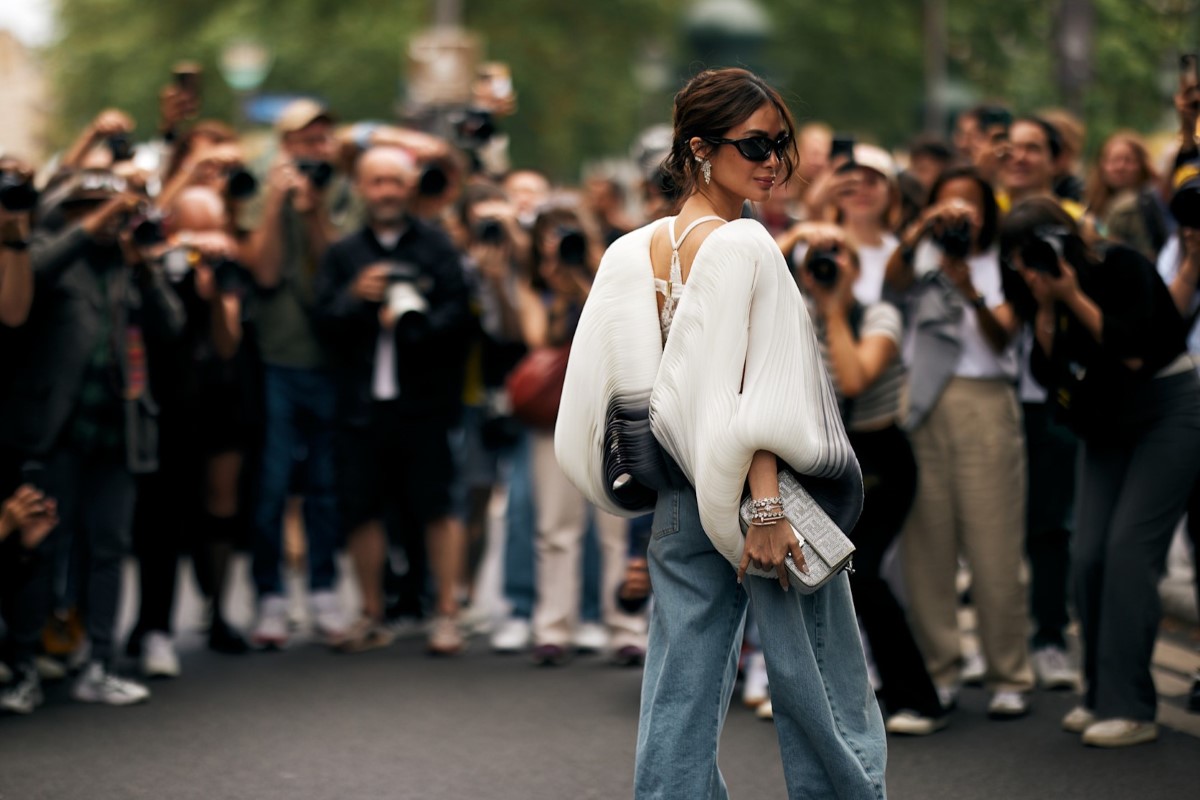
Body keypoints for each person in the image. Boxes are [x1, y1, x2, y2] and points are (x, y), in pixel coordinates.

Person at [556, 68, 886, 799]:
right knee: (820, 684)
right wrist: (764, 508)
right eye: (757, 144)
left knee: (681, 689)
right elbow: (756, 392)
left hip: (678, 496)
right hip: (760, 499)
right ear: (700, 149)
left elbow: (608, 398)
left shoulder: (629, 253)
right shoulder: (745, 244)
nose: (774, 161)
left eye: (782, 144)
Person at [1002, 197, 1200, 747]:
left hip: (1169, 409)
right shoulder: (1035, 289)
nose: (1031, 265)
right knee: (1086, 557)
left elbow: (1138, 351)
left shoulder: (1121, 267)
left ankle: (1131, 706)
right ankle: (1100, 695)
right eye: (1019, 258)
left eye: (1038, 248)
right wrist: (1046, 307)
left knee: (1129, 555)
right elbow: (1050, 370)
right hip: (1106, 425)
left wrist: (1072, 296)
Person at [0, 168, 185, 711]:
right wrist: (89, 226)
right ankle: (23, 666)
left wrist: (146, 271)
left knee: (109, 548)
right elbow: (27, 280)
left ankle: (99, 662)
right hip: (54, 433)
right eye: (93, 207)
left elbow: (170, 328)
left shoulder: (129, 263)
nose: (109, 219)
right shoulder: (48, 252)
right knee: (40, 545)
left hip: (118, 433)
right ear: (70, 210)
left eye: (116, 209)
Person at [886, 166, 1036, 717]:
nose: (958, 217)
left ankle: (1009, 673)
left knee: (995, 545)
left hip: (984, 403)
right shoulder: (919, 258)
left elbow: (1003, 336)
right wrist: (924, 228)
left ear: (988, 212)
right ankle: (941, 669)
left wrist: (971, 291)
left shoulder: (1003, 263)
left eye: (968, 207)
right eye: (947, 205)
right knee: (928, 548)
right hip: (922, 403)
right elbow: (892, 281)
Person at [314, 146, 473, 655]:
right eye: (376, 181)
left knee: (437, 503)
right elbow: (323, 324)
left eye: (395, 181)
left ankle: (447, 614)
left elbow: (460, 318)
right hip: (361, 404)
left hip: (423, 401)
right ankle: (371, 613)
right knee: (360, 507)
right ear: (360, 187)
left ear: (410, 188)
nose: (385, 191)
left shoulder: (436, 247)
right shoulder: (342, 254)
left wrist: (415, 320)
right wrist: (354, 297)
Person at [798, 235, 947, 736]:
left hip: (881, 459)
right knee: (829, 577)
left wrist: (835, 308)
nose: (825, 262)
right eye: (815, 254)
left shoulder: (879, 313)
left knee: (860, 573)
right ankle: (848, 694)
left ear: (856, 268)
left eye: (838, 253)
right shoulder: (793, 317)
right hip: (827, 460)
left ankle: (919, 698)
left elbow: (856, 378)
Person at [125, 186, 252, 677]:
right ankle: (149, 625)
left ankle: (217, 609)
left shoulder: (222, 270)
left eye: (214, 226)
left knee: (217, 506)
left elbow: (226, 342)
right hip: (161, 400)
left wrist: (217, 289)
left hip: (217, 397)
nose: (205, 238)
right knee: (155, 514)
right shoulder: (150, 260)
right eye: (192, 227)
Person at [516, 206, 648, 666]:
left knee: (619, 527)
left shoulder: (617, 273)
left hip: (613, 413)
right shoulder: (536, 288)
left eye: (569, 235)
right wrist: (559, 288)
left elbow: (620, 327)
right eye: (550, 237)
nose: (560, 245)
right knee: (556, 528)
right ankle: (553, 627)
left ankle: (626, 626)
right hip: (557, 415)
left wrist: (585, 278)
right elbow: (541, 342)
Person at [243, 99, 349, 647]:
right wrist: (277, 202)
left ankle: (325, 590)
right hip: (275, 359)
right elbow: (261, 272)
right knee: (272, 484)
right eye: (304, 141)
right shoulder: (264, 191)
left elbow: (337, 273)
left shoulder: (342, 192)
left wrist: (313, 212)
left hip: (329, 361)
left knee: (326, 486)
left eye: (321, 139)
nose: (315, 150)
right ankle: (270, 596)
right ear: (285, 146)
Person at [1083, 131, 1167, 261]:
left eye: (1128, 161)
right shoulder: (1090, 204)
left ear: (1142, 165)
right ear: (1102, 166)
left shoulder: (1151, 203)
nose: (1120, 167)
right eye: (1113, 161)